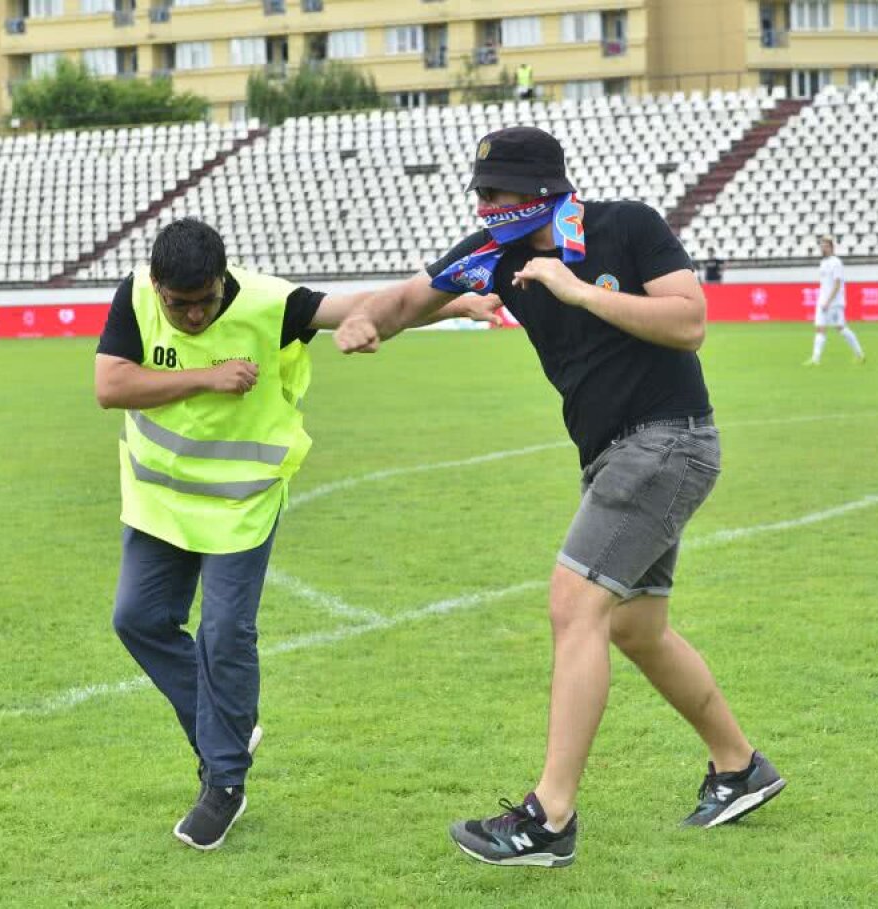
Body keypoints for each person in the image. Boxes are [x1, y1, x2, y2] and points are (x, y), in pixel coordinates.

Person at [335, 127, 784, 868]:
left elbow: (690, 321)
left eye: (497, 192)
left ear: (543, 188)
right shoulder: (495, 253)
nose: (484, 205)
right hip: (618, 454)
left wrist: (575, 289)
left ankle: (549, 816)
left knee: (574, 604)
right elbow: (410, 297)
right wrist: (366, 319)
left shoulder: (623, 225)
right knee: (636, 627)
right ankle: (739, 766)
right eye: (479, 192)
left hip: (665, 441)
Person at [96, 218, 501, 852]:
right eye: (180, 305)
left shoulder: (270, 304)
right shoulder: (137, 297)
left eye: (204, 301)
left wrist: (455, 299)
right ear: (157, 285)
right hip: (159, 501)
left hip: (242, 502)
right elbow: (110, 385)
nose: (193, 316)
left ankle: (223, 783)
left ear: (223, 281)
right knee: (136, 620)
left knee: (225, 633)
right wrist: (207, 376)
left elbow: (366, 308)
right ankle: (228, 720)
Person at [805, 235, 864, 366]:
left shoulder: (836, 262)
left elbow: (837, 284)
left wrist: (829, 301)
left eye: (825, 246)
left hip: (834, 302)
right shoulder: (823, 263)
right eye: (821, 245)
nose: (822, 248)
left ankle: (859, 354)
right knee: (820, 328)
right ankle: (815, 359)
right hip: (822, 301)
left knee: (841, 328)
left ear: (831, 247)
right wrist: (822, 300)